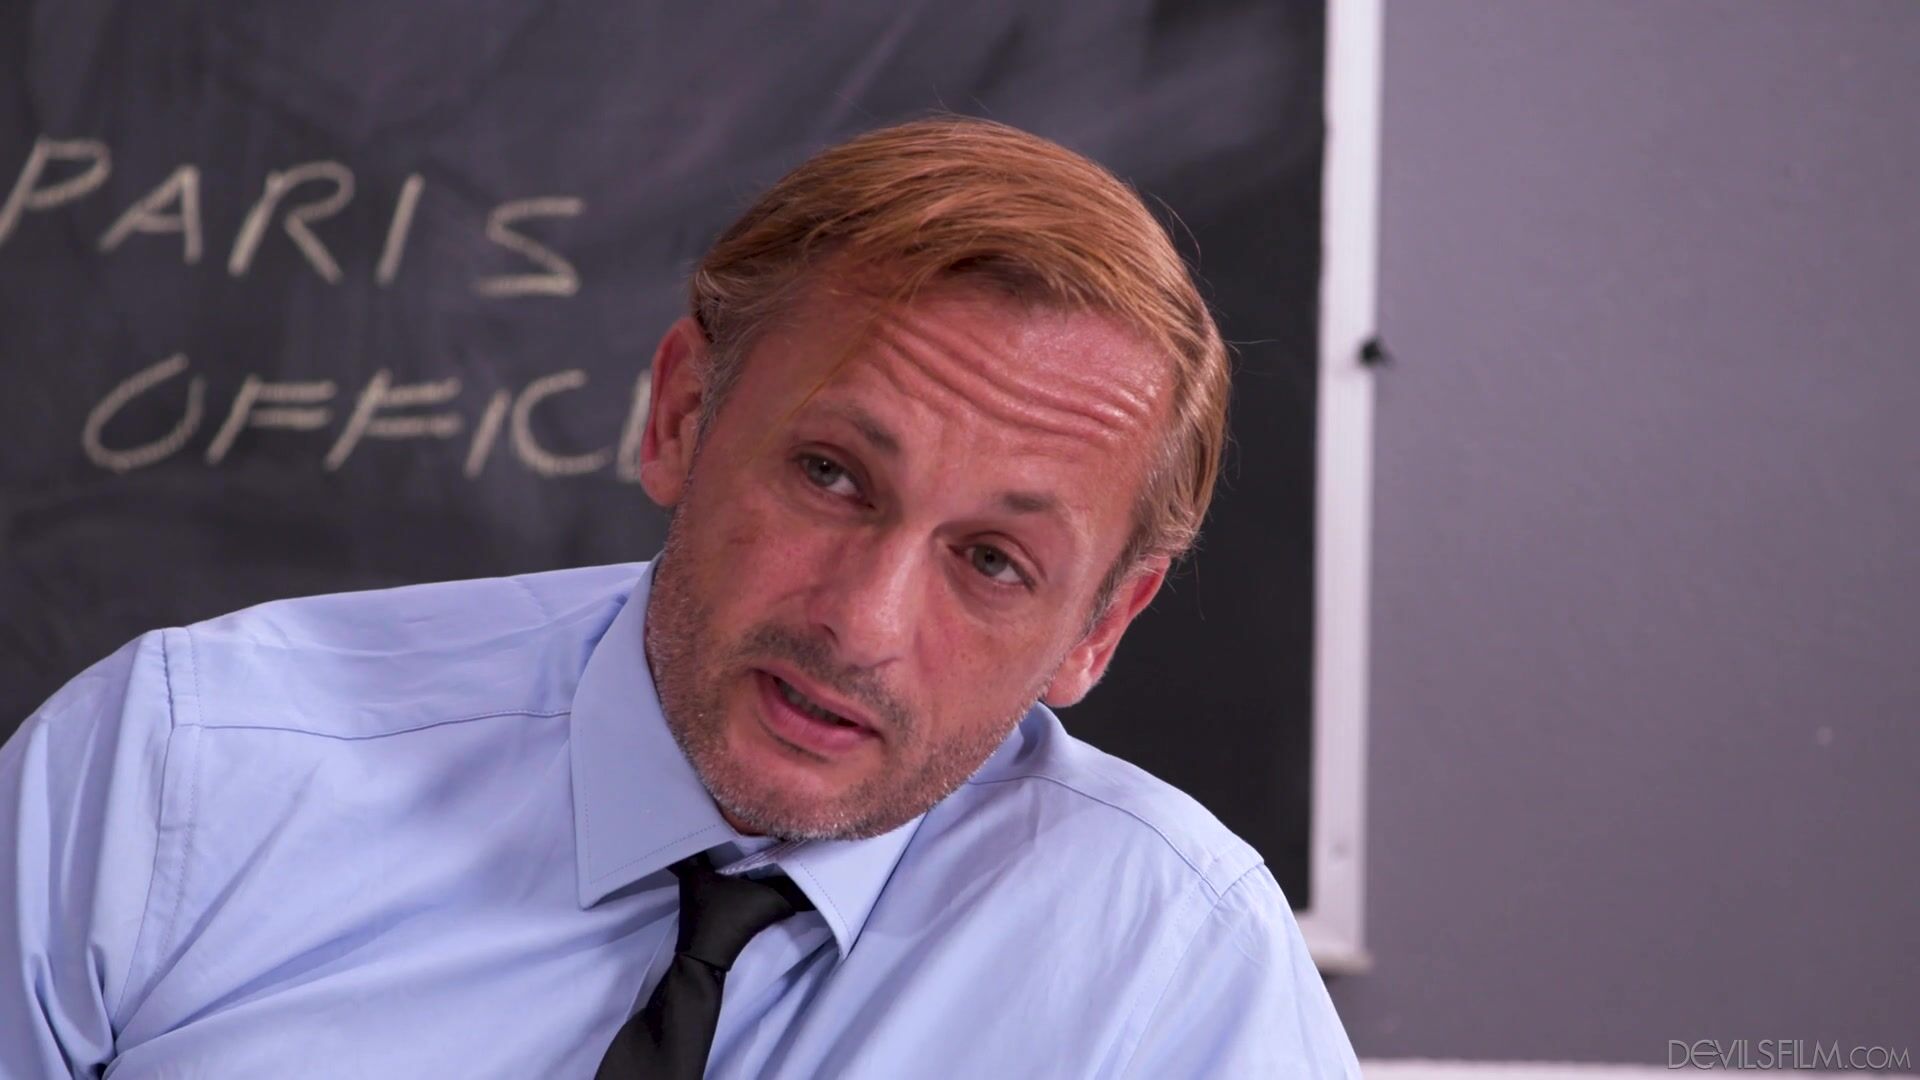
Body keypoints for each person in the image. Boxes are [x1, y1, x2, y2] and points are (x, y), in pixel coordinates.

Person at [0, 117, 1359, 1077]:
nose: (860, 626)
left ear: (1100, 628)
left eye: (993, 562)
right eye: (830, 475)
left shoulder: (1172, 970)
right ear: (680, 416)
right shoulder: (173, 779)